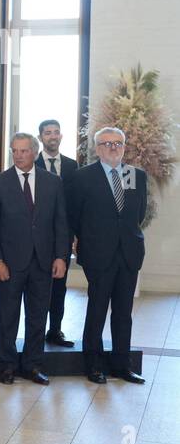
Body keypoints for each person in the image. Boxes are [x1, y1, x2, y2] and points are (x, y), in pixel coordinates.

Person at [0, 133, 69, 386]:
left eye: (23, 151)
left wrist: (61, 257)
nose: (18, 155)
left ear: (34, 151)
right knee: (7, 315)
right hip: (9, 263)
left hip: (43, 262)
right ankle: (7, 365)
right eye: (14, 151)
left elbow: (61, 223)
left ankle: (33, 365)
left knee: (37, 316)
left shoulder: (53, 182)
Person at [69, 127, 147, 384]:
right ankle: (93, 364)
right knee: (97, 309)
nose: (113, 148)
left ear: (124, 147)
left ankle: (122, 365)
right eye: (107, 144)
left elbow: (138, 214)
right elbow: (75, 216)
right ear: (97, 148)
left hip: (128, 254)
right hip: (98, 254)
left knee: (124, 312)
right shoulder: (82, 178)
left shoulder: (135, 175)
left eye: (118, 143)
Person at [37, 118, 80, 346]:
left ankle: (55, 330)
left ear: (61, 136)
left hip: (63, 235)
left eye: (56, 132)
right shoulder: (32, 164)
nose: (52, 136)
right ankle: (36, 332)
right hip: (38, 236)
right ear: (41, 138)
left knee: (59, 286)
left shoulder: (72, 166)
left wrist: (75, 234)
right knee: (38, 285)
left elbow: (75, 204)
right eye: (47, 133)